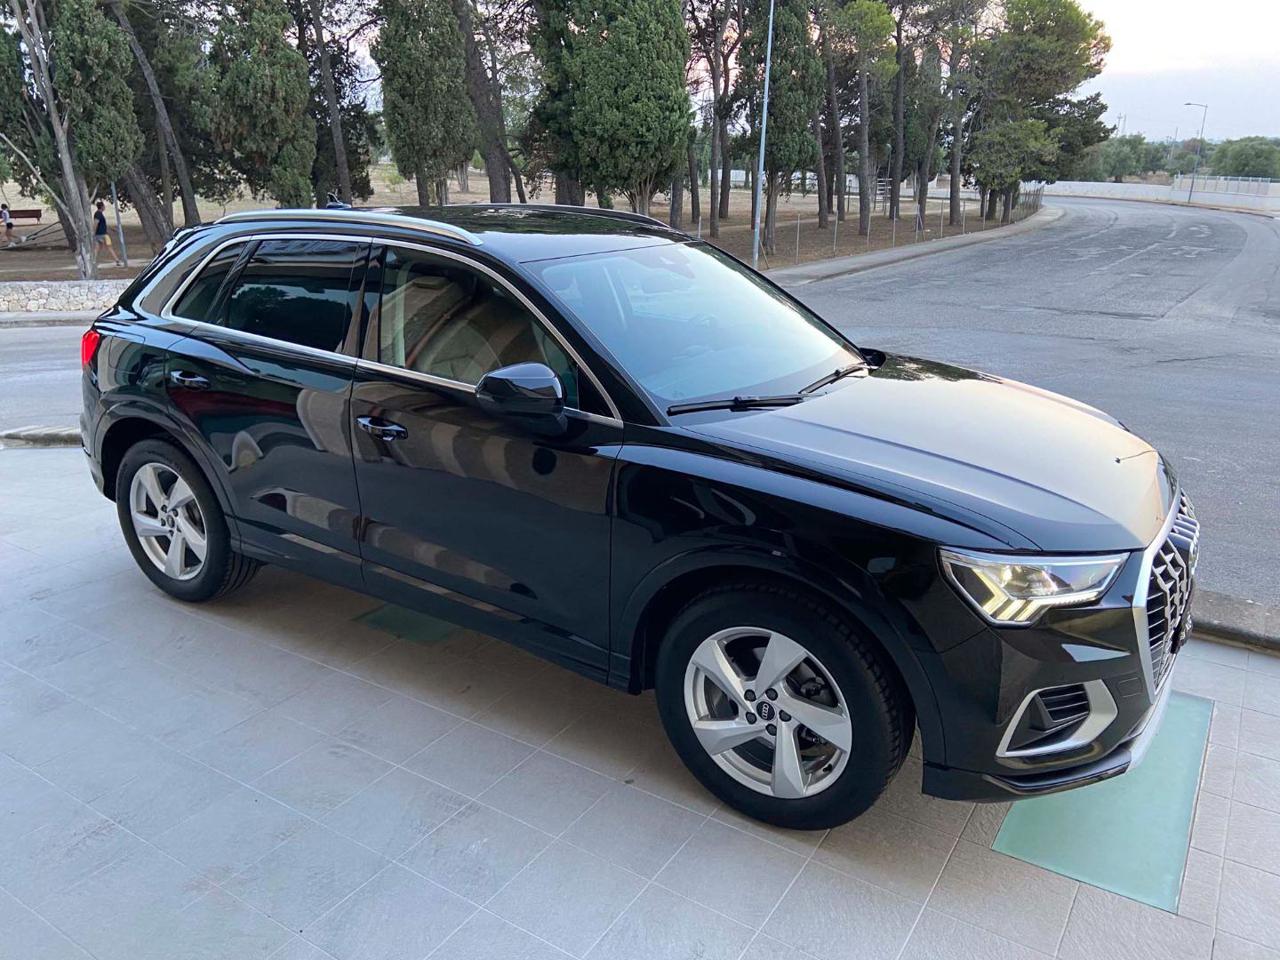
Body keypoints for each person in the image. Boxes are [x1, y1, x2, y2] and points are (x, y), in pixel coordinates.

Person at [93, 199, 122, 266]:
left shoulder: (99, 214)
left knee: (97, 248)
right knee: (109, 247)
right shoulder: (98, 214)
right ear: (102, 207)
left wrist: (111, 229)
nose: (105, 207)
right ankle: (117, 260)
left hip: (100, 234)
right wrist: (93, 232)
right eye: (104, 206)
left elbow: (103, 225)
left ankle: (94, 261)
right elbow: (96, 223)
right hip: (102, 234)